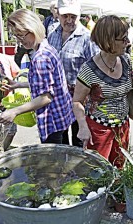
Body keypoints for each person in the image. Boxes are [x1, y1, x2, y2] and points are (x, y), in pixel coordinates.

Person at [0, 8, 73, 144]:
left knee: (53, 161)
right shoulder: (47, 47)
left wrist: (14, 111)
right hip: (61, 115)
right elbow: (49, 84)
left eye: (22, 35)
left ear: (33, 29)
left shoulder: (41, 58)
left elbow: (46, 97)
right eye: (16, 36)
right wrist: (19, 84)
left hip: (52, 119)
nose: (20, 41)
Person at [72, 15, 133, 169]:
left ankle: (115, 193)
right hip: (98, 131)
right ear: (108, 41)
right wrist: (82, 126)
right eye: (123, 39)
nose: (128, 42)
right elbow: (76, 101)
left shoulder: (127, 61)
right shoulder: (89, 69)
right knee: (98, 172)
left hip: (122, 128)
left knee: (119, 168)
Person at [48, 0, 99, 146]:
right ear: (58, 14)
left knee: (79, 141)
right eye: (65, 16)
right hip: (58, 99)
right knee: (60, 140)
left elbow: (96, 69)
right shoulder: (53, 34)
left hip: (81, 100)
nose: (69, 20)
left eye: (73, 16)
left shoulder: (88, 38)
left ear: (79, 15)